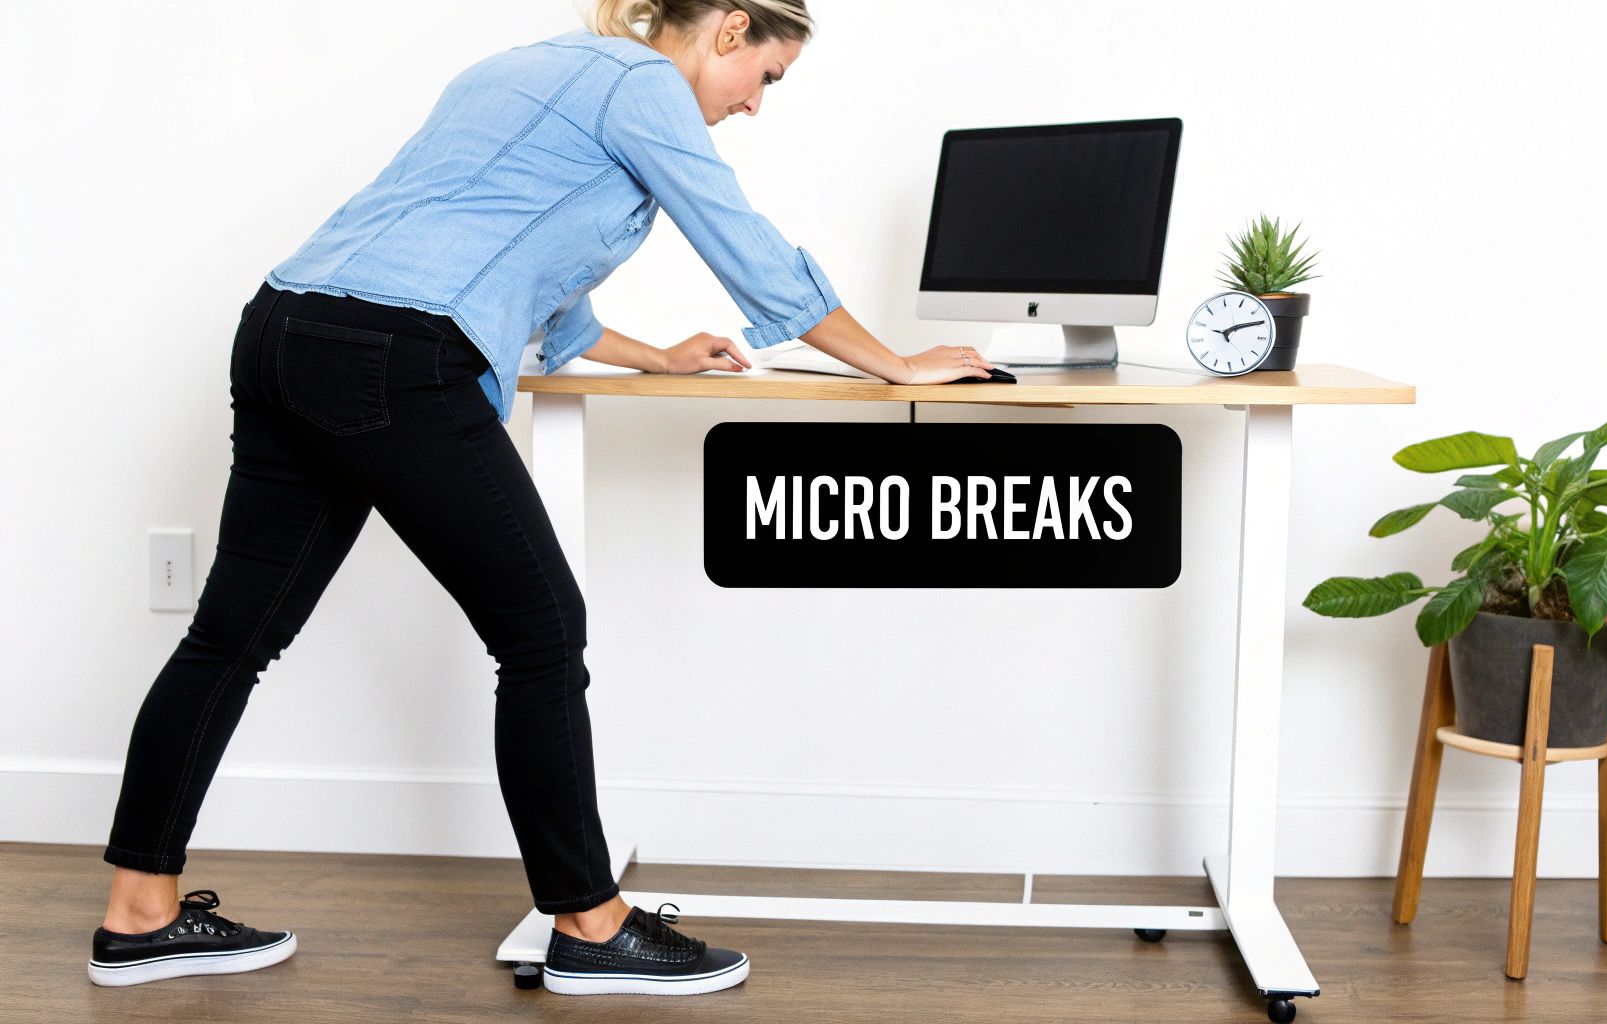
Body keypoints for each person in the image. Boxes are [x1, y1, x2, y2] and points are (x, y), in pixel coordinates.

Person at [89, 0, 996, 996]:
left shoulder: (537, 66)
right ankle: (590, 924)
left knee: (229, 635)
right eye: (767, 78)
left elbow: (510, 250)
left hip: (285, 330)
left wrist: (651, 355)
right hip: (392, 357)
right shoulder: (644, 85)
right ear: (730, 28)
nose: (754, 107)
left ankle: (139, 913)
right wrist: (892, 365)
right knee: (539, 628)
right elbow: (744, 242)